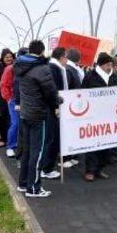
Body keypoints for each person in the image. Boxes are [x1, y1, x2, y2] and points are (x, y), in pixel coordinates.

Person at [15, 40, 62, 197]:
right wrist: (58, 101)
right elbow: (50, 92)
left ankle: (23, 184)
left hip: (25, 113)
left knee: (27, 150)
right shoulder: (42, 68)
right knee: (38, 152)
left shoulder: (19, 65)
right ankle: (34, 188)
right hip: (38, 115)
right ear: (42, 52)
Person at [81, 52, 114, 182]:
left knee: (105, 144)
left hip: (109, 115)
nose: (110, 67)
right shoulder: (90, 76)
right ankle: (89, 170)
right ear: (101, 64)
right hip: (93, 116)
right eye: (108, 64)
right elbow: (83, 94)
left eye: (111, 64)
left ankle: (100, 168)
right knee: (93, 144)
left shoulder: (113, 76)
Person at [42, 47, 69, 177]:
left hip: (53, 107)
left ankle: (46, 167)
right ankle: (46, 168)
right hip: (52, 108)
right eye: (66, 57)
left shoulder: (55, 67)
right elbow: (52, 90)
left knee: (53, 138)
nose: (67, 61)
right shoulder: (53, 68)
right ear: (62, 57)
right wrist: (56, 106)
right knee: (52, 138)